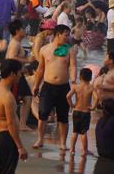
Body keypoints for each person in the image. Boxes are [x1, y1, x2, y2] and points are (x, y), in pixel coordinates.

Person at [32, 23, 77, 151]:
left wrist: (73, 81)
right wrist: (36, 85)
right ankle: (40, 139)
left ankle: (62, 143)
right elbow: (40, 69)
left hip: (63, 87)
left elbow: (73, 66)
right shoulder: (44, 49)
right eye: (66, 35)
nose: (68, 38)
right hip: (47, 86)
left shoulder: (70, 50)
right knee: (43, 114)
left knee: (63, 117)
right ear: (58, 34)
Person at [0, 59, 27, 174]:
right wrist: (20, 147)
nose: (20, 75)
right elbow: (10, 123)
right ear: (12, 74)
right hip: (7, 139)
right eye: (19, 73)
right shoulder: (8, 97)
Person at [5, 20, 34, 131]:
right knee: (24, 98)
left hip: (17, 74)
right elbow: (11, 57)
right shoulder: (15, 43)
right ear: (17, 31)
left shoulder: (16, 42)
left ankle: (20, 123)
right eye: (22, 28)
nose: (24, 30)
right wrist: (27, 60)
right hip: (14, 75)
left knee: (25, 97)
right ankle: (20, 124)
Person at [67, 67, 93, 156]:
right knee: (83, 132)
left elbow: (68, 96)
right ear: (90, 78)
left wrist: (72, 105)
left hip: (76, 111)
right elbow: (97, 97)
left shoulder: (76, 87)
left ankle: (72, 149)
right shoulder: (91, 88)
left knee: (75, 131)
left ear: (80, 77)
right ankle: (84, 150)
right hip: (85, 112)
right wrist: (93, 107)